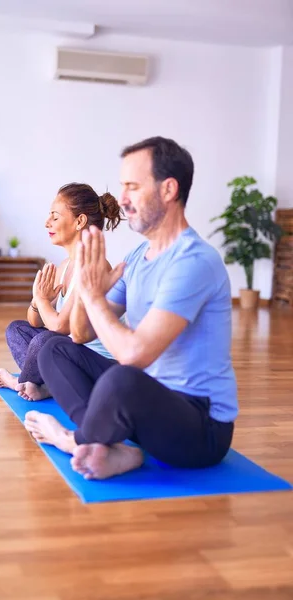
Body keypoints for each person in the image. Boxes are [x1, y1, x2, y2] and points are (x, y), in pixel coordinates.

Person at [24, 136, 239, 479]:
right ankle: (107, 444)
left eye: (133, 187)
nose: (122, 199)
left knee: (124, 376)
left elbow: (135, 355)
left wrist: (92, 297)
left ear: (168, 190)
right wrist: (87, 290)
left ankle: (75, 439)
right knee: (54, 348)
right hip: (148, 403)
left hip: (200, 429)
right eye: (122, 186)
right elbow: (81, 334)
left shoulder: (193, 262)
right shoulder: (138, 257)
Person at [0, 183, 122, 400]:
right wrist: (38, 302)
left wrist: (42, 301)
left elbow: (59, 326)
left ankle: (20, 383)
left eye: (55, 217)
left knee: (45, 341)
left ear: (80, 221)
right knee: (16, 330)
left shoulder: (92, 266)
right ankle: (44, 387)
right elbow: (34, 323)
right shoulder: (66, 265)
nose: (47, 223)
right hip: (69, 355)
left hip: (101, 368)